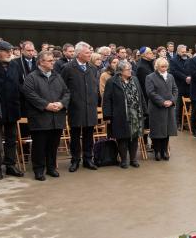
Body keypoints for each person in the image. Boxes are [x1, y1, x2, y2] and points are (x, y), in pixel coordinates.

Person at [21, 50, 70, 181]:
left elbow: (66, 92)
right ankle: (38, 170)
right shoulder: (31, 77)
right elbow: (30, 94)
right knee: (39, 146)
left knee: (53, 145)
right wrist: (46, 105)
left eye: (53, 60)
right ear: (41, 62)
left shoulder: (57, 76)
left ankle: (51, 168)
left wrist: (61, 103)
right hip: (40, 118)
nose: (53, 62)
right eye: (49, 61)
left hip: (57, 117)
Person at [0, 40, 24, 177]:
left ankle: (10, 165)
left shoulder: (14, 65)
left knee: (11, 139)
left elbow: (20, 83)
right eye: (7, 52)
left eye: (11, 51)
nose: (10, 54)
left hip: (12, 107)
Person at [62, 41, 99, 172]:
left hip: (90, 107)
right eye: (87, 52)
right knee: (75, 135)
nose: (90, 54)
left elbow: (95, 87)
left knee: (89, 134)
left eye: (90, 52)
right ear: (78, 54)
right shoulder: (68, 68)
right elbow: (63, 88)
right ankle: (75, 160)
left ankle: (88, 159)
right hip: (75, 107)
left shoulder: (93, 68)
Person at [103, 61, 145, 168]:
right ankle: (124, 160)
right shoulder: (112, 82)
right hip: (120, 114)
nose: (130, 71)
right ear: (120, 71)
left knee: (134, 137)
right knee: (122, 137)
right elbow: (107, 100)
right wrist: (107, 116)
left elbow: (141, 95)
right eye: (127, 69)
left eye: (130, 69)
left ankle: (133, 159)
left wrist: (144, 110)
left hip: (135, 114)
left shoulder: (135, 79)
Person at [145, 58, 178, 161]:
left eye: (166, 66)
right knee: (157, 130)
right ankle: (157, 151)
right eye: (162, 67)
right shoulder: (150, 77)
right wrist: (162, 102)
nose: (164, 68)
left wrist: (172, 101)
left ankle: (164, 151)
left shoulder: (170, 76)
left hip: (169, 108)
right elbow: (151, 92)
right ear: (157, 67)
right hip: (157, 108)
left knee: (167, 130)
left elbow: (175, 90)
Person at [169, 44, 189, 127]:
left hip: (188, 85)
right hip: (179, 85)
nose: (184, 53)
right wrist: (185, 77)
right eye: (183, 52)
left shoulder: (188, 59)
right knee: (179, 104)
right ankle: (177, 122)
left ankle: (184, 120)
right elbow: (174, 71)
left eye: (185, 51)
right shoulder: (173, 60)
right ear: (178, 51)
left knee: (187, 104)